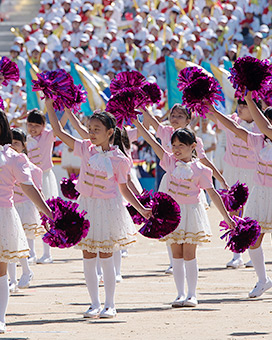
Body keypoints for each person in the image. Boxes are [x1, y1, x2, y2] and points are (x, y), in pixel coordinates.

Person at [45, 98, 152, 319]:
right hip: (86, 206)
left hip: (108, 208)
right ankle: (93, 303)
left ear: (110, 132)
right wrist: (49, 104)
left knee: (106, 255)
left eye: (96, 129)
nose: (91, 133)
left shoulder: (120, 159)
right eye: (90, 128)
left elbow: (124, 189)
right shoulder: (85, 148)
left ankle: (110, 304)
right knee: (87, 255)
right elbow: (57, 130)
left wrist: (141, 209)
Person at [132, 116, 235, 308]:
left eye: (181, 145)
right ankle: (180, 294)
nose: (176, 149)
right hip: (172, 214)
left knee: (190, 253)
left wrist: (226, 217)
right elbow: (151, 140)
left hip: (191, 213)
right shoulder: (169, 161)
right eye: (174, 145)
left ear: (193, 146)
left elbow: (212, 194)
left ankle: (192, 294)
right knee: (176, 254)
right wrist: (137, 122)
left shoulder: (202, 169)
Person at [142, 104, 229, 274]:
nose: (175, 118)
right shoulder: (166, 132)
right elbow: (152, 128)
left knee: (188, 221)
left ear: (189, 120)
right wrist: (143, 110)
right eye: (173, 115)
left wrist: (220, 178)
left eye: (180, 116)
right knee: (168, 219)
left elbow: (204, 161)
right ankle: (173, 261)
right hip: (170, 180)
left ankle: (186, 260)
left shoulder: (195, 140)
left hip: (191, 182)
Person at [207, 93, 272, 298]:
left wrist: (251, 100)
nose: (265, 126)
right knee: (253, 238)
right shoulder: (257, 141)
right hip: (259, 194)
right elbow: (235, 128)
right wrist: (216, 111)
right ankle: (263, 280)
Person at [0, 108, 52, 334]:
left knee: (0, 269)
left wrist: (48, 213)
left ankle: (0, 318)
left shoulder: (13, 157)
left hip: (2, 214)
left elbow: (29, 188)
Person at [206, 99, 262, 269]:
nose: (241, 107)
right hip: (232, 171)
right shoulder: (232, 120)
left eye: (246, 105)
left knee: (253, 212)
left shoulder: (262, 126)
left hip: (253, 172)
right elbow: (209, 114)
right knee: (233, 210)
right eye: (240, 104)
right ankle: (236, 254)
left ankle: (254, 251)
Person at [8, 128, 44, 292]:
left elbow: (38, 190)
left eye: (16, 143)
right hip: (10, 206)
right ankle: (13, 279)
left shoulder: (32, 168)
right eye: (10, 142)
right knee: (9, 243)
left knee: (19, 241)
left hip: (24, 207)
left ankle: (25, 272)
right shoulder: (6, 162)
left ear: (24, 145)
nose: (13, 146)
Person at [26, 109, 59, 264]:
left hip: (45, 177)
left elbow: (60, 126)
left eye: (36, 125)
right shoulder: (24, 138)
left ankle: (47, 253)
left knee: (46, 213)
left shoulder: (48, 136)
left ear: (43, 125)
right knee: (28, 213)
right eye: (30, 124)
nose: (33, 128)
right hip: (28, 180)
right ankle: (30, 252)